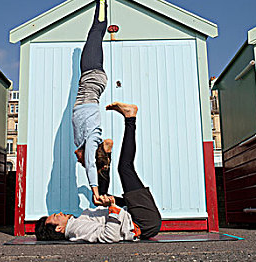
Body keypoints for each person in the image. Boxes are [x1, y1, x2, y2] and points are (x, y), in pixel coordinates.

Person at [36, 102, 162, 243]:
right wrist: (112, 208)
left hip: (139, 218)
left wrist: (110, 202)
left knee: (98, 198)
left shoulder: (77, 224)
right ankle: (130, 117)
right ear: (58, 228)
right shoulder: (78, 229)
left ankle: (104, 162)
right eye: (55, 216)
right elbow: (109, 236)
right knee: (125, 168)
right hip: (144, 222)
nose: (59, 213)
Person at [72, 0, 114, 205]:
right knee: (96, 33)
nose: (77, 158)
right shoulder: (91, 140)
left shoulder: (84, 140)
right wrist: (95, 192)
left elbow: (97, 156)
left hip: (90, 81)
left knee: (94, 35)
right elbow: (91, 163)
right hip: (92, 79)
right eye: (80, 160)